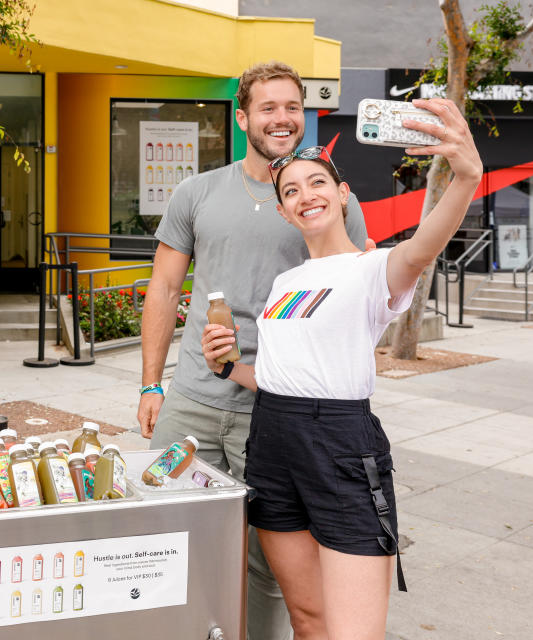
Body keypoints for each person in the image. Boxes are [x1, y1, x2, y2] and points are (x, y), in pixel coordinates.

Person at [201, 98, 482, 639]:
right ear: (283, 211)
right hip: (272, 439)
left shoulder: (372, 269)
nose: (305, 196)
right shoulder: (286, 285)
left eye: (317, 184)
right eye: (291, 191)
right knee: (308, 621)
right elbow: (280, 376)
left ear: (342, 194)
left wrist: (466, 178)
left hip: (340, 443)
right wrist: (229, 366)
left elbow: (422, 249)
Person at [138, 61, 368, 639]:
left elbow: (357, 296)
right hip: (190, 403)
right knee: (165, 536)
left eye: (292, 106)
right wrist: (150, 383)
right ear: (243, 118)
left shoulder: (325, 201)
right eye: (268, 108)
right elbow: (164, 289)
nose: (282, 118)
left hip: (275, 412)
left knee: (267, 564)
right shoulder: (199, 192)